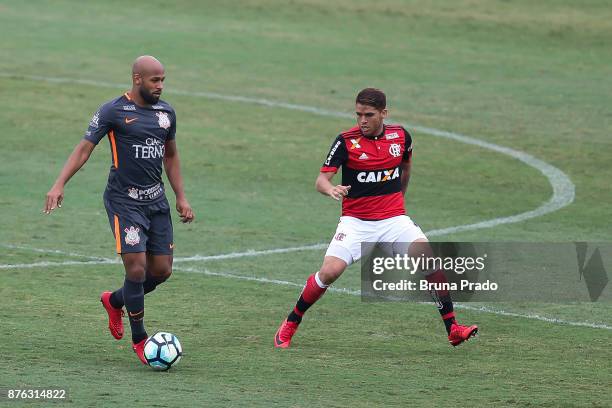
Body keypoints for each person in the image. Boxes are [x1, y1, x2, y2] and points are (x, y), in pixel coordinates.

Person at [274, 88, 478, 348]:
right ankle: (292, 320)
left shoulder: (401, 136)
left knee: (429, 259)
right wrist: (331, 189)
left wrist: (399, 200)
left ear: (384, 113)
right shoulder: (346, 141)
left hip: (394, 220)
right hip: (356, 222)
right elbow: (321, 180)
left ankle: (453, 329)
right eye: (358, 114)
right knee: (329, 272)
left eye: (368, 115)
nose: (362, 121)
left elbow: (406, 165)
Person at [44, 55, 194, 364]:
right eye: (155, 80)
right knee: (136, 267)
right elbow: (84, 148)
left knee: (161, 271)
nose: (161, 86)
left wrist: (181, 196)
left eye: (163, 80)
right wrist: (59, 184)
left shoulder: (166, 114)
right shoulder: (113, 110)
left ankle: (114, 301)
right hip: (124, 201)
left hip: (157, 202)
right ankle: (140, 339)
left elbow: (171, 156)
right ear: (137, 79)